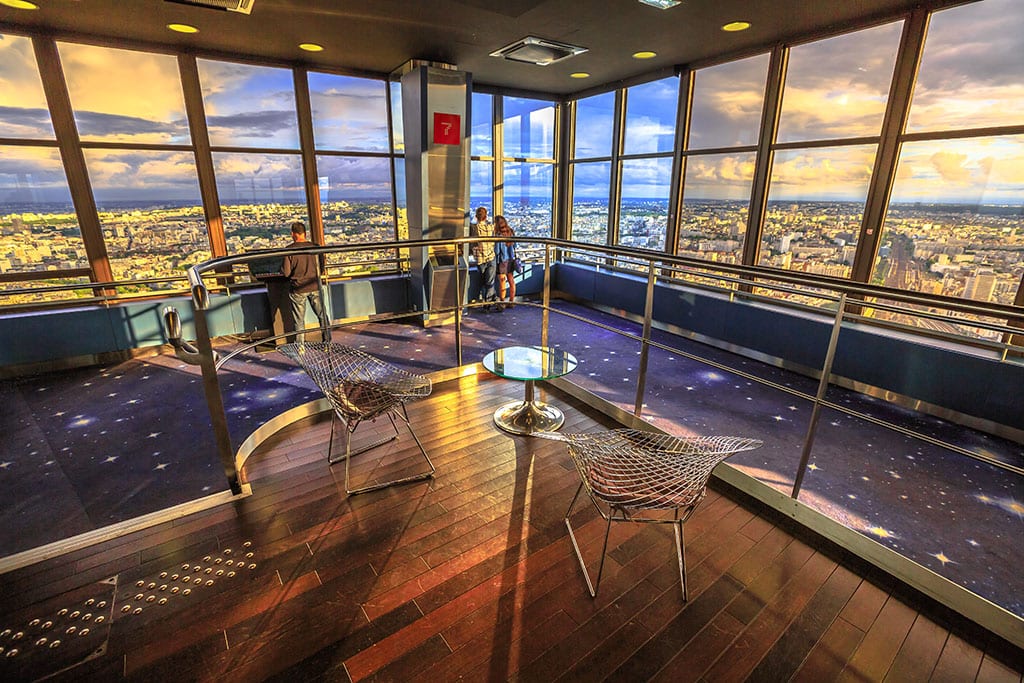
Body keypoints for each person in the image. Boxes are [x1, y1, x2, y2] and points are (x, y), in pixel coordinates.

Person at [281, 220, 329, 343]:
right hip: (315, 285)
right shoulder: (315, 247)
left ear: (293, 234)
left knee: (299, 320)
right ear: (304, 233)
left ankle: (300, 346)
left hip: (298, 288)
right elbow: (322, 267)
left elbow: (286, 273)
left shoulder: (289, 250)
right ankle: (327, 341)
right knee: (322, 315)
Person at [470, 206, 497, 310]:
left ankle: (490, 300)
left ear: (476, 216)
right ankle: (489, 303)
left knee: (484, 281)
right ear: (486, 216)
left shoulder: (473, 228)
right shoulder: (490, 227)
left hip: (479, 259)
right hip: (491, 256)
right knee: (490, 282)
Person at [494, 215, 517, 311]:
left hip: (502, 260)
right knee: (511, 280)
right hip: (511, 259)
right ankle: (512, 301)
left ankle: (502, 302)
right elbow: (515, 245)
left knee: (502, 282)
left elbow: (497, 250)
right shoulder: (511, 231)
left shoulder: (498, 235)